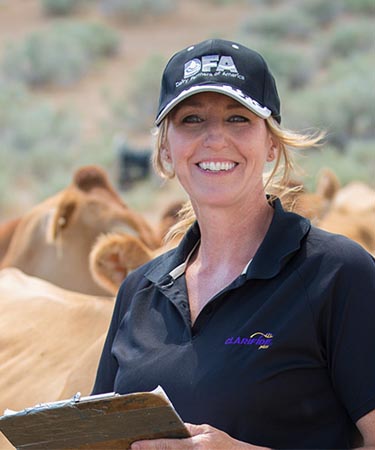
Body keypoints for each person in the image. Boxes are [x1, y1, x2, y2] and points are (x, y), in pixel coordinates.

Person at [92, 39, 375, 449]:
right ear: (167, 150)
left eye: (238, 118)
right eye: (191, 119)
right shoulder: (139, 292)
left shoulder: (338, 274)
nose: (215, 139)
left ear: (272, 144)